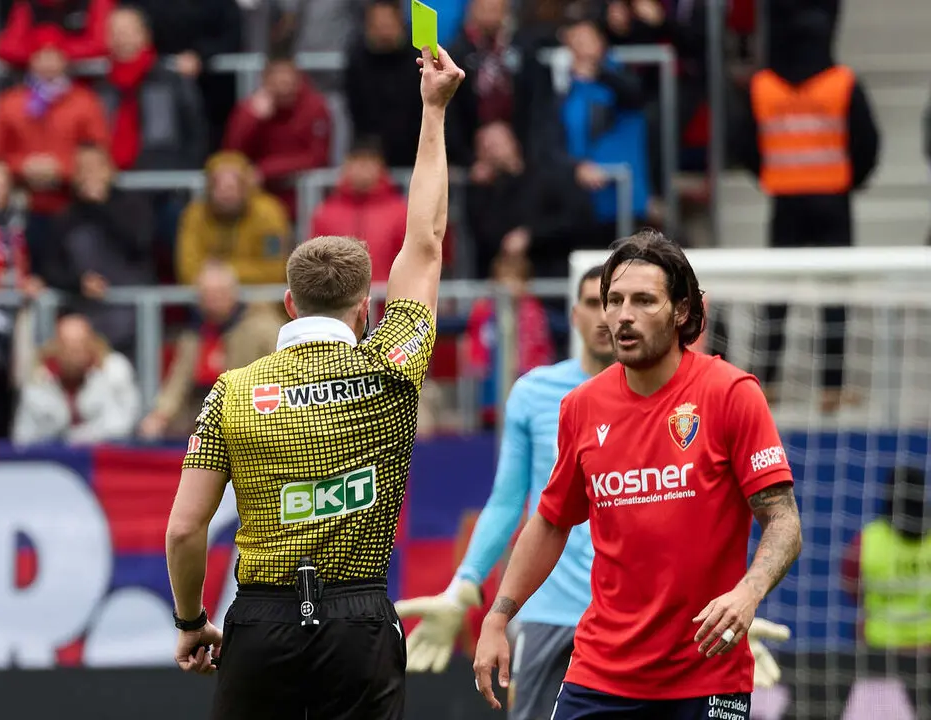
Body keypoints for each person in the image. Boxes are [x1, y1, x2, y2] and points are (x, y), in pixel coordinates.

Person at [163, 45, 465, 720]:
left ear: (289, 304)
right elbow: (425, 241)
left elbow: (185, 529)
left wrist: (190, 620)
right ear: (364, 310)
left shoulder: (232, 390)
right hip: (360, 623)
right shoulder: (393, 361)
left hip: (260, 624)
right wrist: (433, 111)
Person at [473, 230, 803, 719]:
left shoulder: (732, 394)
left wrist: (747, 593)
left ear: (682, 310)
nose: (623, 315)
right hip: (601, 674)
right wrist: (498, 616)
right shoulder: (581, 407)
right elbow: (551, 521)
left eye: (644, 300)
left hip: (707, 675)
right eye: (615, 300)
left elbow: (784, 520)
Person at [396, 264, 613, 720]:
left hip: (629, 615)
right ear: (575, 314)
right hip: (545, 609)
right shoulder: (534, 393)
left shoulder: (661, 399)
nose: (604, 316)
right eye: (593, 303)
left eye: (612, 303)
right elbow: (507, 501)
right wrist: (465, 582)